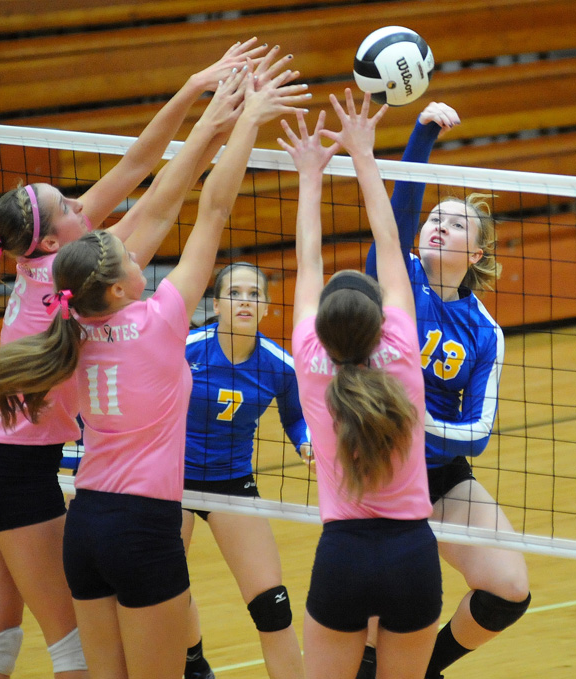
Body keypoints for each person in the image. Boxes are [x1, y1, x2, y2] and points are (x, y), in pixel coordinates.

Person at [0, 39, 269, 679]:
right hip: (19, 476)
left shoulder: (48, 259)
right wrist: (218, 121)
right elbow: (171, 198)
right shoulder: (73, 285)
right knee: (72, 645)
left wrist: (195, 88)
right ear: (52, 237)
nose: (84, 204)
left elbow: (136, 165)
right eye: (71, 205)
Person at [360, 101, 531, 679]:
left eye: (457, 224)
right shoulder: (397, 273)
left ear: (476, 254)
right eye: (437, 216)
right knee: (373, 626)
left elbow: (478, 433)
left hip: (438, 472)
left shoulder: (484, 331)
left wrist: (421, 423)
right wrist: (422, 134)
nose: (439, 224)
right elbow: (400, 209)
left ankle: (424, 671)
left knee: (508, 589)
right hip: (379, 470)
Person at [279, 89, 442, 679]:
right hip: (413, 557)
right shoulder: (401, 351)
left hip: (342, 556)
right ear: (381, 319)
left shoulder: (307, 358)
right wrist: (365, 157)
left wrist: (309, 174)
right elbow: (391, 243)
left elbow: (307, 261)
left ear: (321, 326)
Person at [182, 261, 311, 679]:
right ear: (216, 304)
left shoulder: (280, 366)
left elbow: (296, 417)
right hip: (170, 482)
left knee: (272, 604)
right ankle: (193, 663)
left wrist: (306, 440)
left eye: (254, 293)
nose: (244, 300)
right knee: (164, 593)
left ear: (267, 306)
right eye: (234, 293)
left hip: (231, 483)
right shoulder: (184, 348)